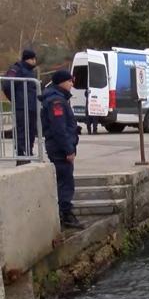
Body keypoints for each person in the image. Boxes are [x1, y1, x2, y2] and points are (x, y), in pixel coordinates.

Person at [40, 70, 84, 230]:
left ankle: (64, 213)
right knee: (66, 182)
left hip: (59, 146)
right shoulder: (56, 102)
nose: (72, 84)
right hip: (60, 149)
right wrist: (68, 150)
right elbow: (58, 129)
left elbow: (62, 125)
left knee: (64, 180)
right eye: (70, 81)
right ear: (62, 82)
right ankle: (66, 215)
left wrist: (74, 129)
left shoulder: (57, 99)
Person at [2, 49, 39, 165]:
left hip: (31, 107)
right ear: (31, 59)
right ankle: (21, 155)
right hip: (21, 107)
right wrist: (15, 99)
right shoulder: (16, 69)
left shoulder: (30, 71)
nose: (35, 61)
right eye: (34, 59)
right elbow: (7, 85)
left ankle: (28, 153)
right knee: (22, 131)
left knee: (31, 130)